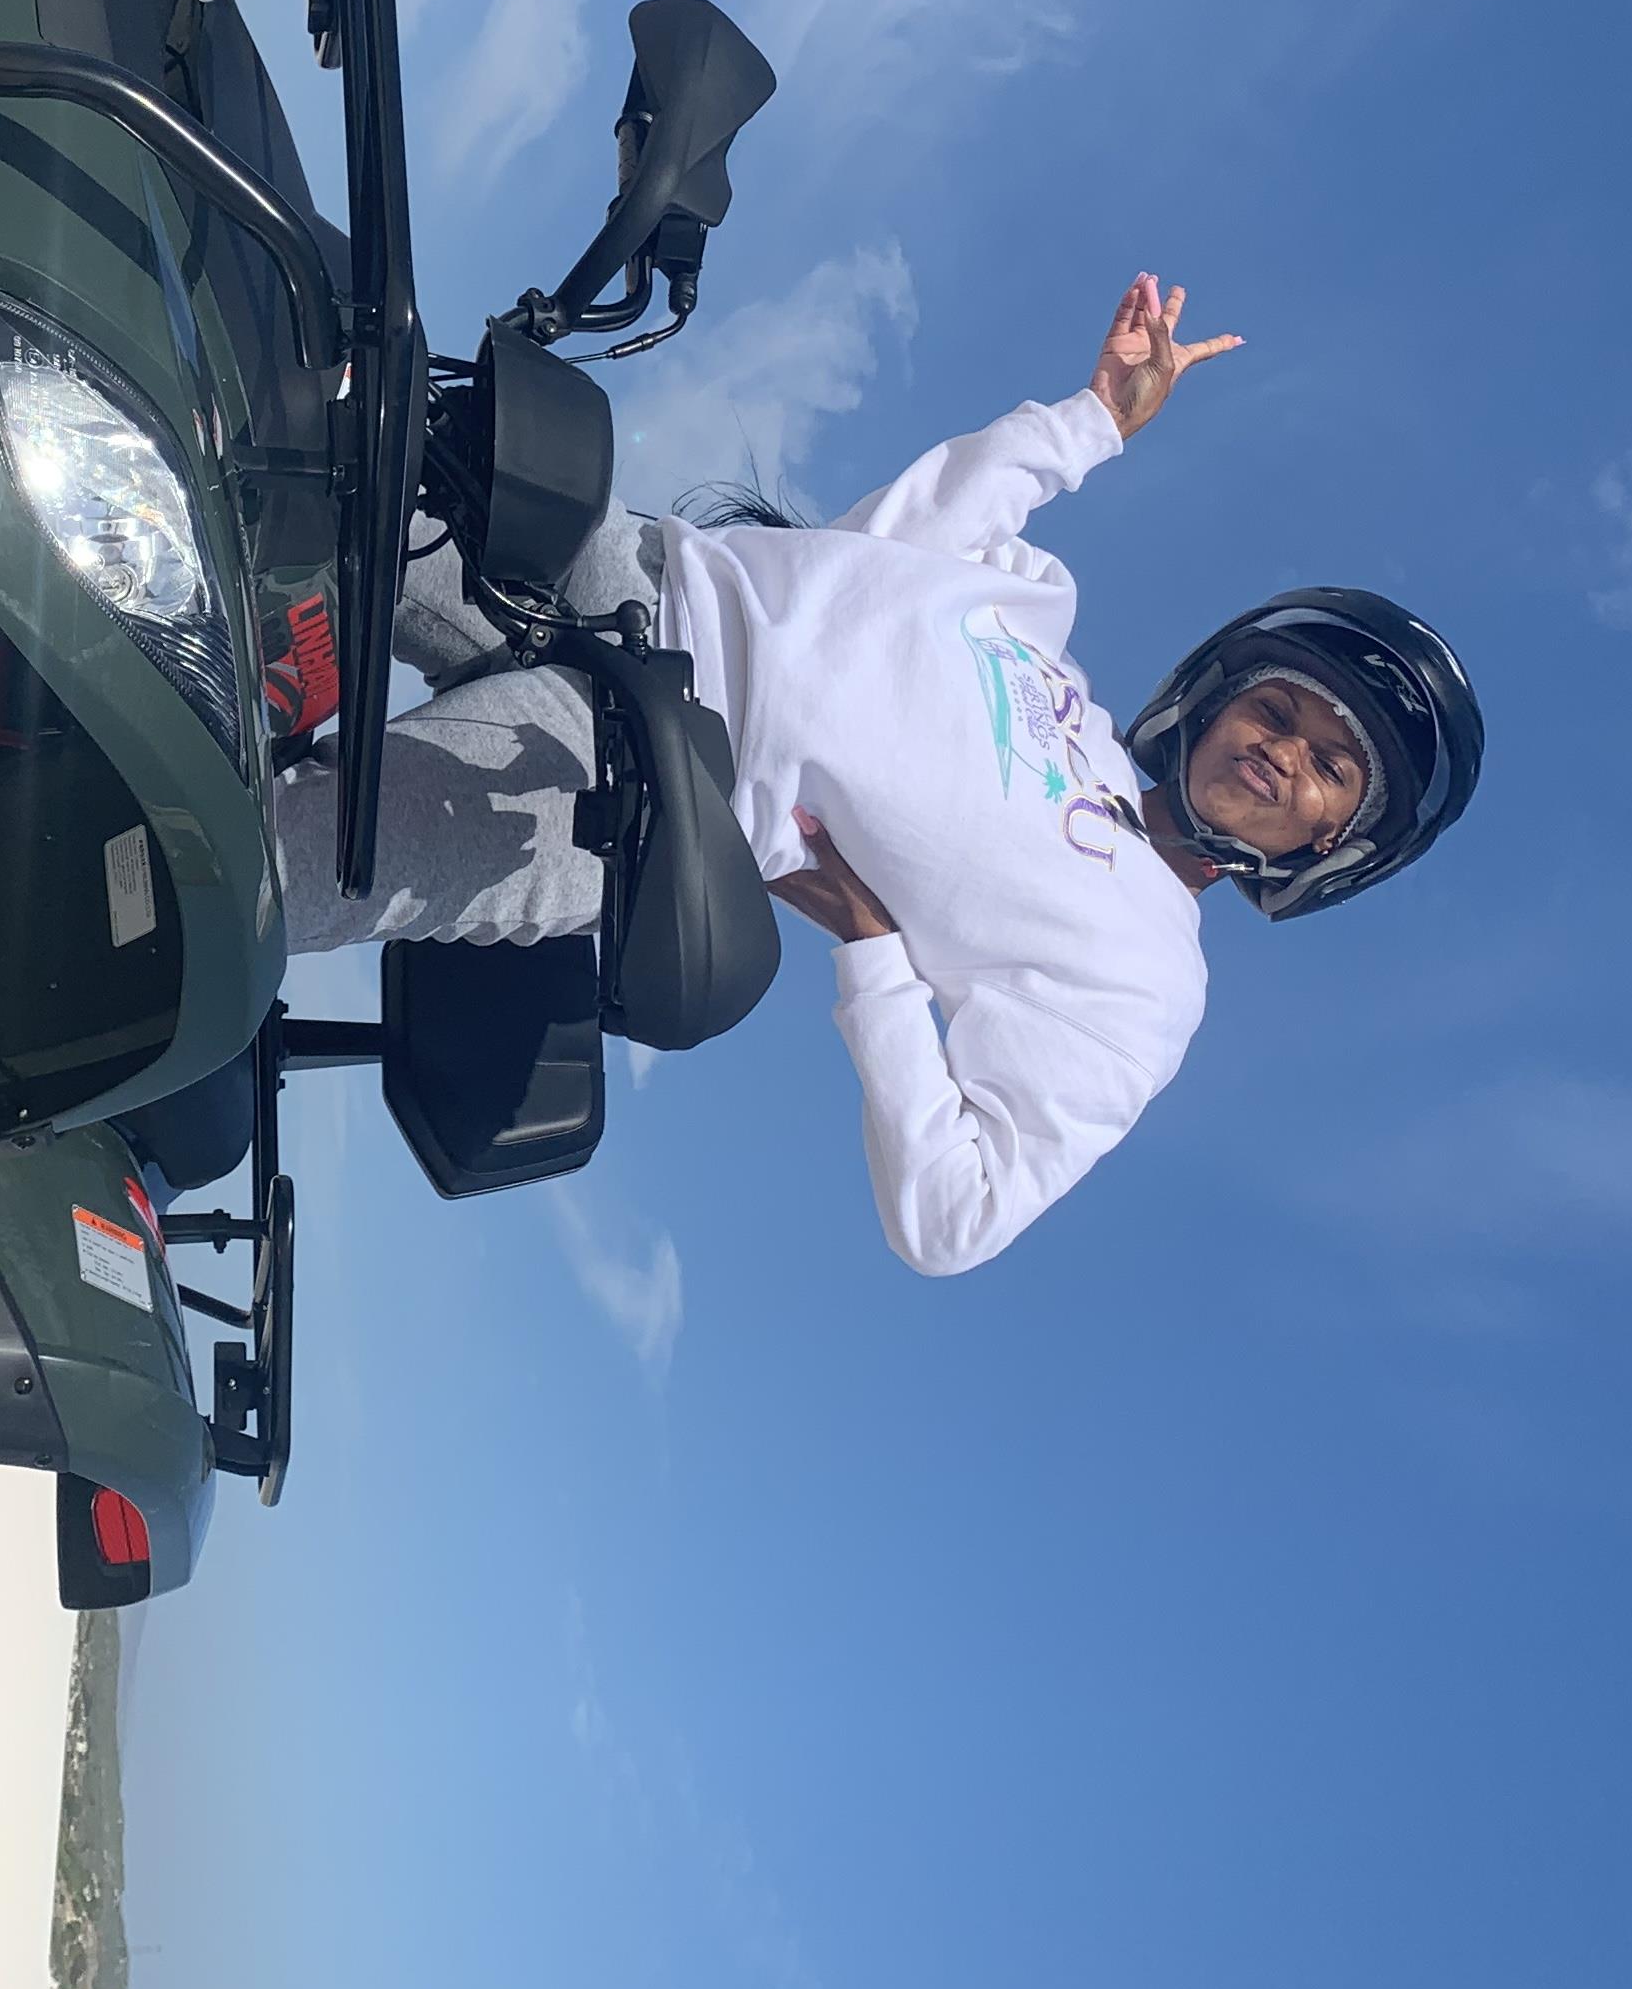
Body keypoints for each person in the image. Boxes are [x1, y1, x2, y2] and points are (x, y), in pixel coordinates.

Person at [276, 275, 1483, 1276]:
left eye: (1330, 768)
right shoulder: (1042, 626)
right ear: (1219, 696)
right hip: (632, 567)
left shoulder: (1150, 980)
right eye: (1279, 708)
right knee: (290, 406)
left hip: (632, 784)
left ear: (1329, 847)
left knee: (260, 857)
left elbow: (955, 1216)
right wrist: (1092, 423)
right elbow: (901, 536)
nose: (1284, 749)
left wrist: (873, 950)